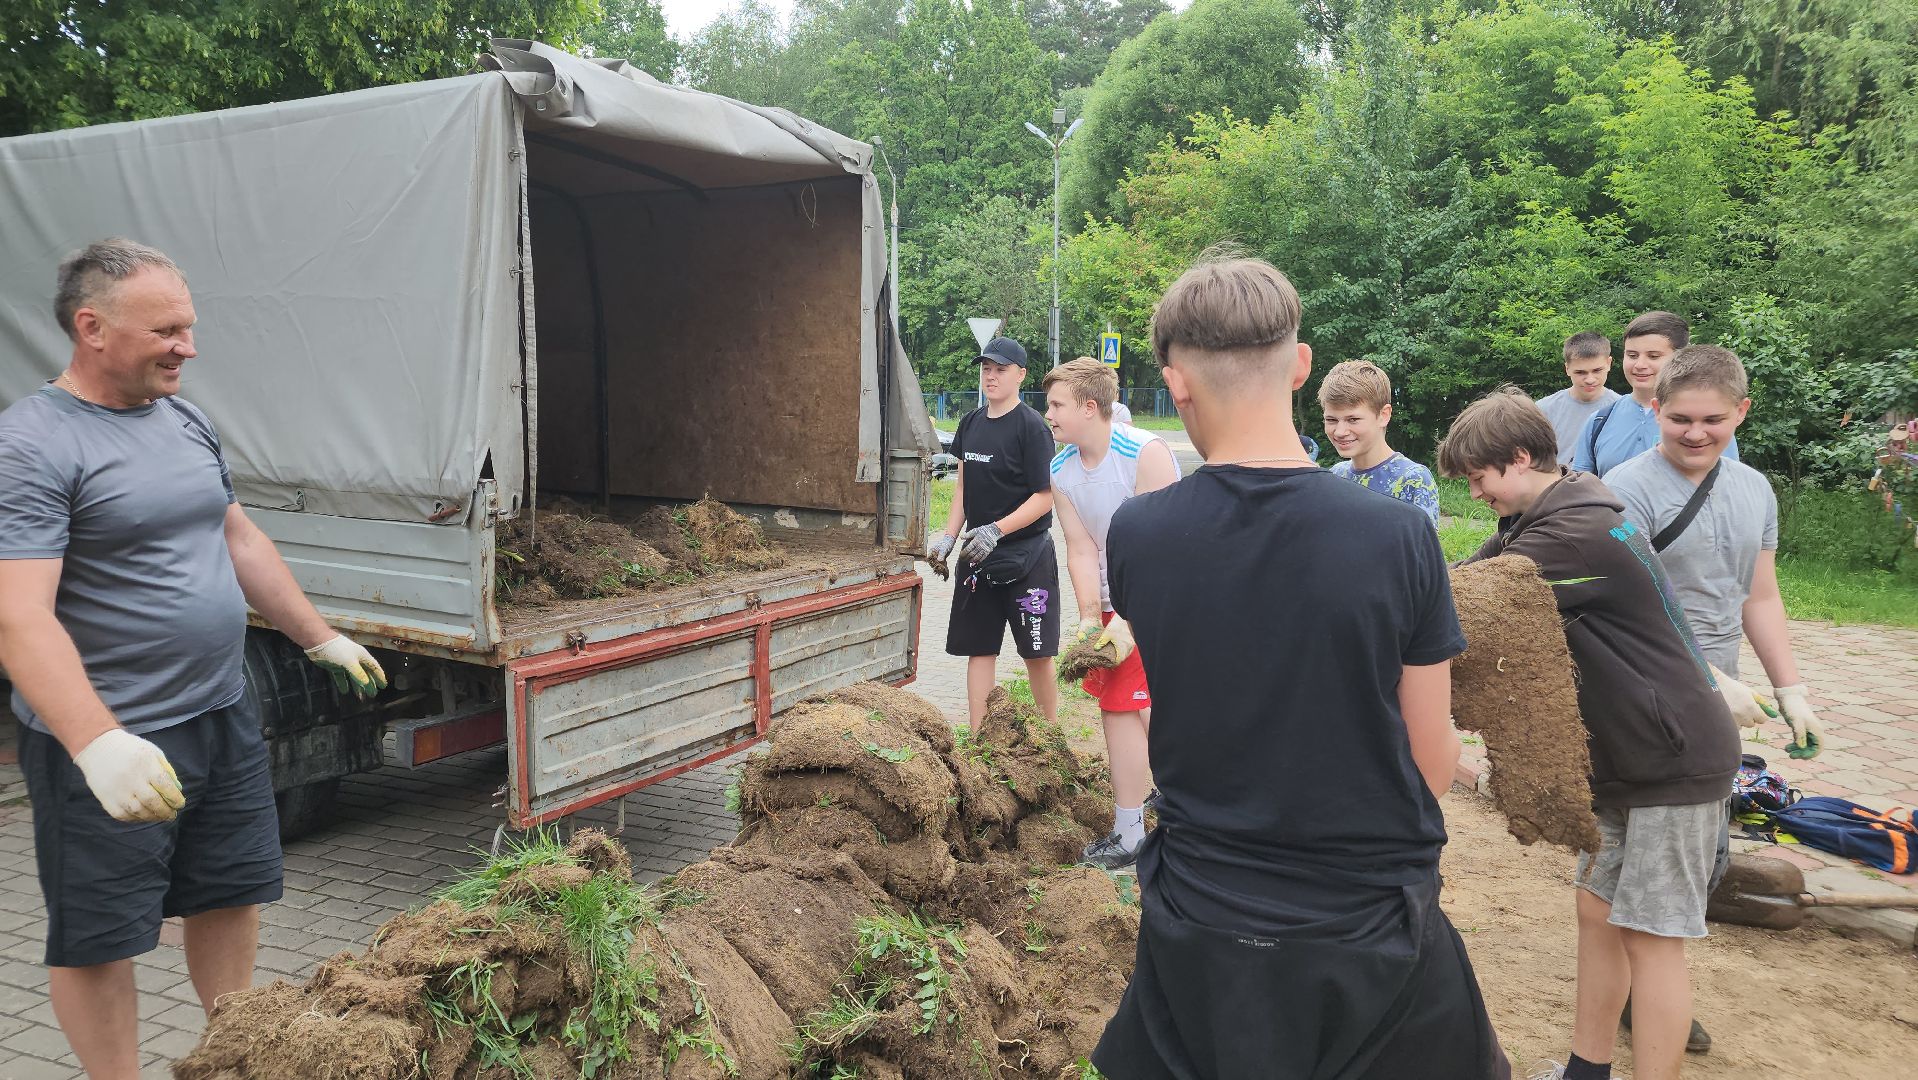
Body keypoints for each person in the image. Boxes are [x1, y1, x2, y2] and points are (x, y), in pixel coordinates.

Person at [1091, 256, 1508, 1080]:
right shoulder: (1397, 538)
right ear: (1303, 363)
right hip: (1367, 929)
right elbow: (1435, 754)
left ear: (1175, 384)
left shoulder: (1137, 534)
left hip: (1199, 916)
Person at [0, 238, 390, 1080]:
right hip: (112, 738)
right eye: (167, 329)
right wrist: (96, 742)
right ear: (92, 328)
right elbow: (18, 617)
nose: (189, 347)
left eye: (190, 325)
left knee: (228, 892)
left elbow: (237, 536)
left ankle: (232, 1057)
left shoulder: (183, 418)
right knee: (101, 933)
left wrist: (316, 634)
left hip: (220, 709)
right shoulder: (31, 444)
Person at [1438, 388, 1741, 1080]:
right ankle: (1587, 1069)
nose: (1476, 491)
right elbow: (1456, 578)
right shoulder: (1548, 515)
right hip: (1628, 757)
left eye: (1479, 476)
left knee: (1653, 938)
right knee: (1598, 913)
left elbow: (1453, 603)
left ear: (1518, 458)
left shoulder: (1572, 535)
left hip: (1673, 759)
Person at [1605, 345, 1827, 760]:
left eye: (1713, 420)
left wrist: (1790, 690)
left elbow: (1759, 596)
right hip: (1643, 689)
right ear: (1657, 409)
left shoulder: (1756, 489)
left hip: (1724, 687)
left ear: (1741, 411)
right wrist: (1706, 680)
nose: (1695, 434)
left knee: (1712, 813)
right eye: (1680, 419)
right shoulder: (1624, 492)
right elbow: (1621, 612)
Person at [1040, 357, 1181, 870]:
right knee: (1126, 705)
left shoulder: (1145, 453)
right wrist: (1087, 618)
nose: (1048, 414)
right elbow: (1080, 548)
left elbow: (1166, 547)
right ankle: (1149, 815)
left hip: (1165, 599)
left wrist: (1130, 615)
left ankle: (1157, 826)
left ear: (1089, 407)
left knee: (1139, 707)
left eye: (1056, 405)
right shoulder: (1061, 469)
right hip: (1112, 602)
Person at [928, 335, 1061, 732]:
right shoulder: (970, 423)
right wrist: (951, 536)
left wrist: (997, 530)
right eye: (987, 369)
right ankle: (978, 738)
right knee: (979, 647)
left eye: (1001, 370)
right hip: (977, 555)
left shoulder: (1032, 428)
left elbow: (1045, 496)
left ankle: (1048, 736)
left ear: (1021, 375)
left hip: (1027, 557)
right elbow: (963, 490)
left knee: (1036, 653)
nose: (991, 376)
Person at [1570, 311, 1739, 477]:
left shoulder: (1706, 426)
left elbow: (1726, 489)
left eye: (1653, 356)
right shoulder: (1599, 421)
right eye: (1632, 355)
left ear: (1679, 358)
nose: (1640, 364)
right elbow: (1580, 489)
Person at [1320, 359, 1441, 524]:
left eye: (1353, 419)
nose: (1340, 432)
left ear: (1384, 415)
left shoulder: (1413, 480)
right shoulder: (1335, 475)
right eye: (1331, 420)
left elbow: (1422, 548)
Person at [1536, 332, 1619, 466]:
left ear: (1609, 363)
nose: (1590, 380)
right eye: (1580, 372)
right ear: (1567, 369)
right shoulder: (1543, 409)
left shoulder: (1621, 408)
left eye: (1597, 370)